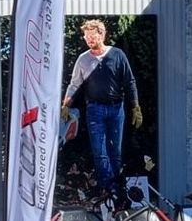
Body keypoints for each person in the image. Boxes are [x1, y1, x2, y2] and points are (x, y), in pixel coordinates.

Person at [61, 19, 142, 199]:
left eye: (92, 36)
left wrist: (135, 106)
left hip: (116, 109)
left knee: (116, 151)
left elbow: (129, 81)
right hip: (95, 110)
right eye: (86, 37)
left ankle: (119, 187)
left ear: (101, 34)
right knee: (99, 152)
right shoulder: (83, 60)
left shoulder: (117, 55)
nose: (89, 40)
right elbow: (75, 84)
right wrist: (66, 104)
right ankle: (109, 188)